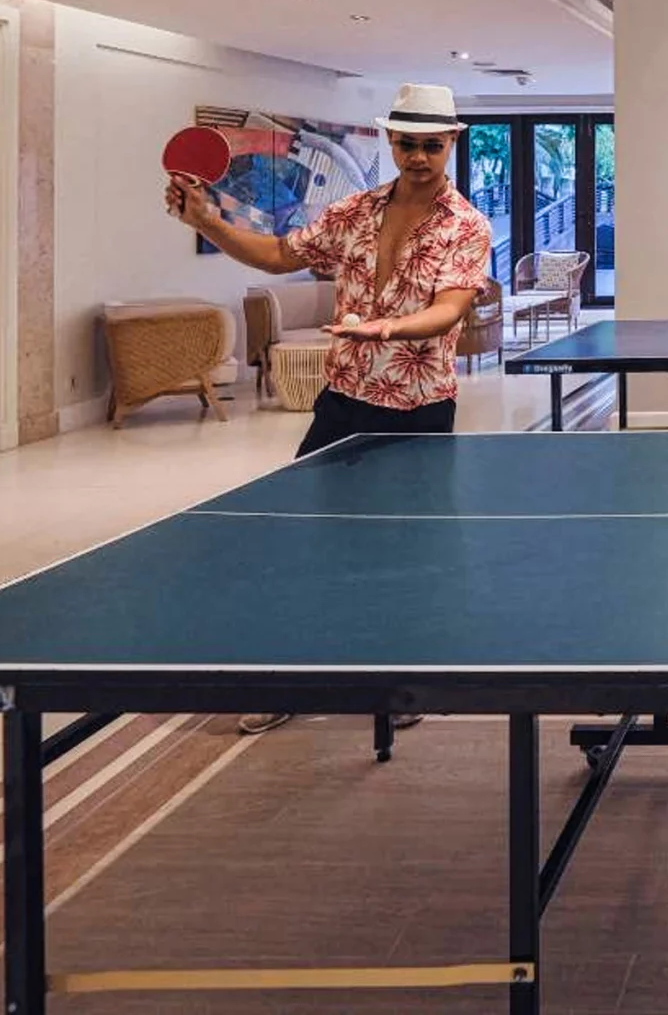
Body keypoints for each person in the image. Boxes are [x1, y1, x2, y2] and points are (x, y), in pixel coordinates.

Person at [167, 82, 494, 734]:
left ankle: (402, 679)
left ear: (450, 145)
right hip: (342, 402)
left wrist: (389, 329)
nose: (419, 157)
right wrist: (208, 222)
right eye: (407, 144)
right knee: (309, 539)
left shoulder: (467, 226)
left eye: (432, 146)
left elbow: (451, 307)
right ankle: (294, 678)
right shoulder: (352, 212)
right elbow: (279, 254)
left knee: (412, 549)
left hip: (419, 408)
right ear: (391, 141)